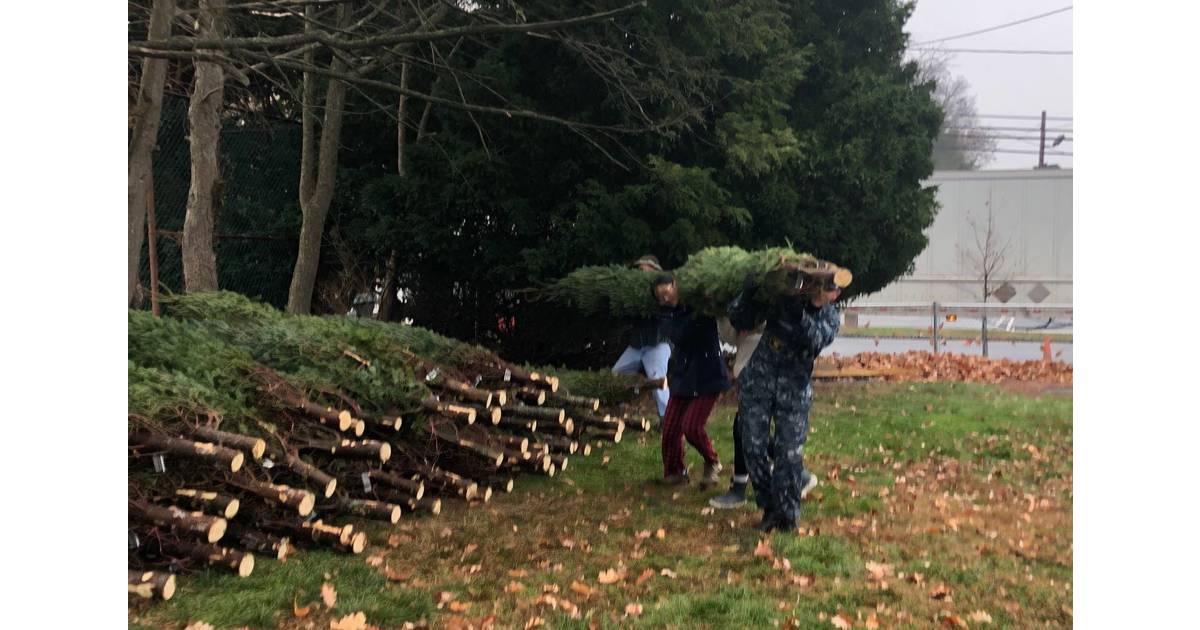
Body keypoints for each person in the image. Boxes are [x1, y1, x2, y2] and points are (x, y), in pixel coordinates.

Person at [728, 266, 842, 531]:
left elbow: (813, 340)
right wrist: (751, 292)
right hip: (760, 376)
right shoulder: (783, 298)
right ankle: (769, 508)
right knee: (752, 446)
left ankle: (787, 516)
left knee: (789, 454)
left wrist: (798, 313)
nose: (820, 290)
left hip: (794, 385)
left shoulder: (830, 318)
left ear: (834, 295)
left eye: (828, 288)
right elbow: (739, 318)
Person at [653, 273, 731, 487]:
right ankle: (675, 472)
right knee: (670, 428)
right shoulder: (667, 316)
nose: (666, 299)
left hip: (708, 375)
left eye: (667, 293)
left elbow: (707, 322)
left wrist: (698, 304)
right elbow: (681, 335)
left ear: (676, 285)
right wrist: (688, 310)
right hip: (684, 376)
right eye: (661, 297)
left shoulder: (702, 306)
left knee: (692, 426)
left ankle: (712, 462)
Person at [611, 255, 672, 420]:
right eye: (640, 269)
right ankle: (621, 410)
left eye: (645, 269)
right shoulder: (634, 293)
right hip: (638, 345)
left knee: (658, 380)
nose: (641, 272)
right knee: (616, 374)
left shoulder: (664, 290)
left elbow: (668, 318)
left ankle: (666, 420)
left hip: (658, 344)